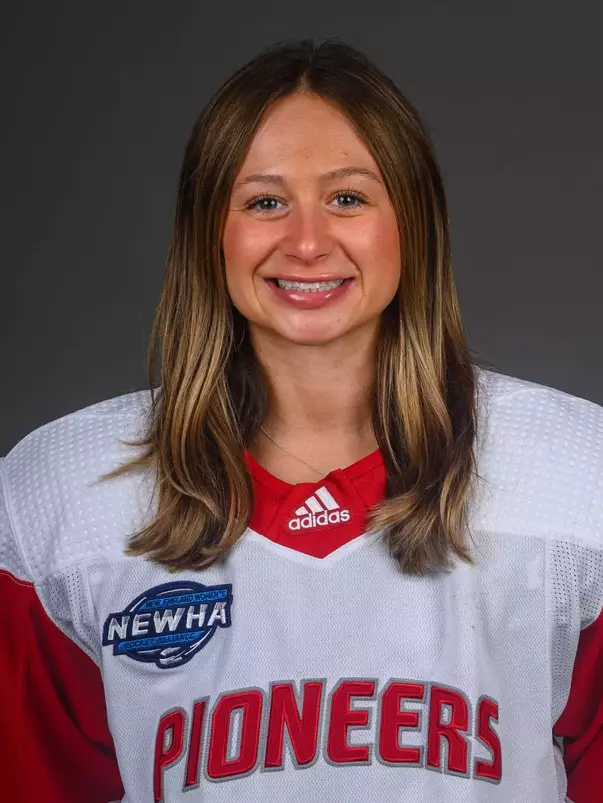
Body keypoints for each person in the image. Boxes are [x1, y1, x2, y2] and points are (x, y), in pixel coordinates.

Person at [0, 37, 601, 803]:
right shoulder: (63, 496)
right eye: (264, 202)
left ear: (411, 223)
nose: (308, 242)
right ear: (209, 232)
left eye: (347, 198)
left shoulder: (574, 478)